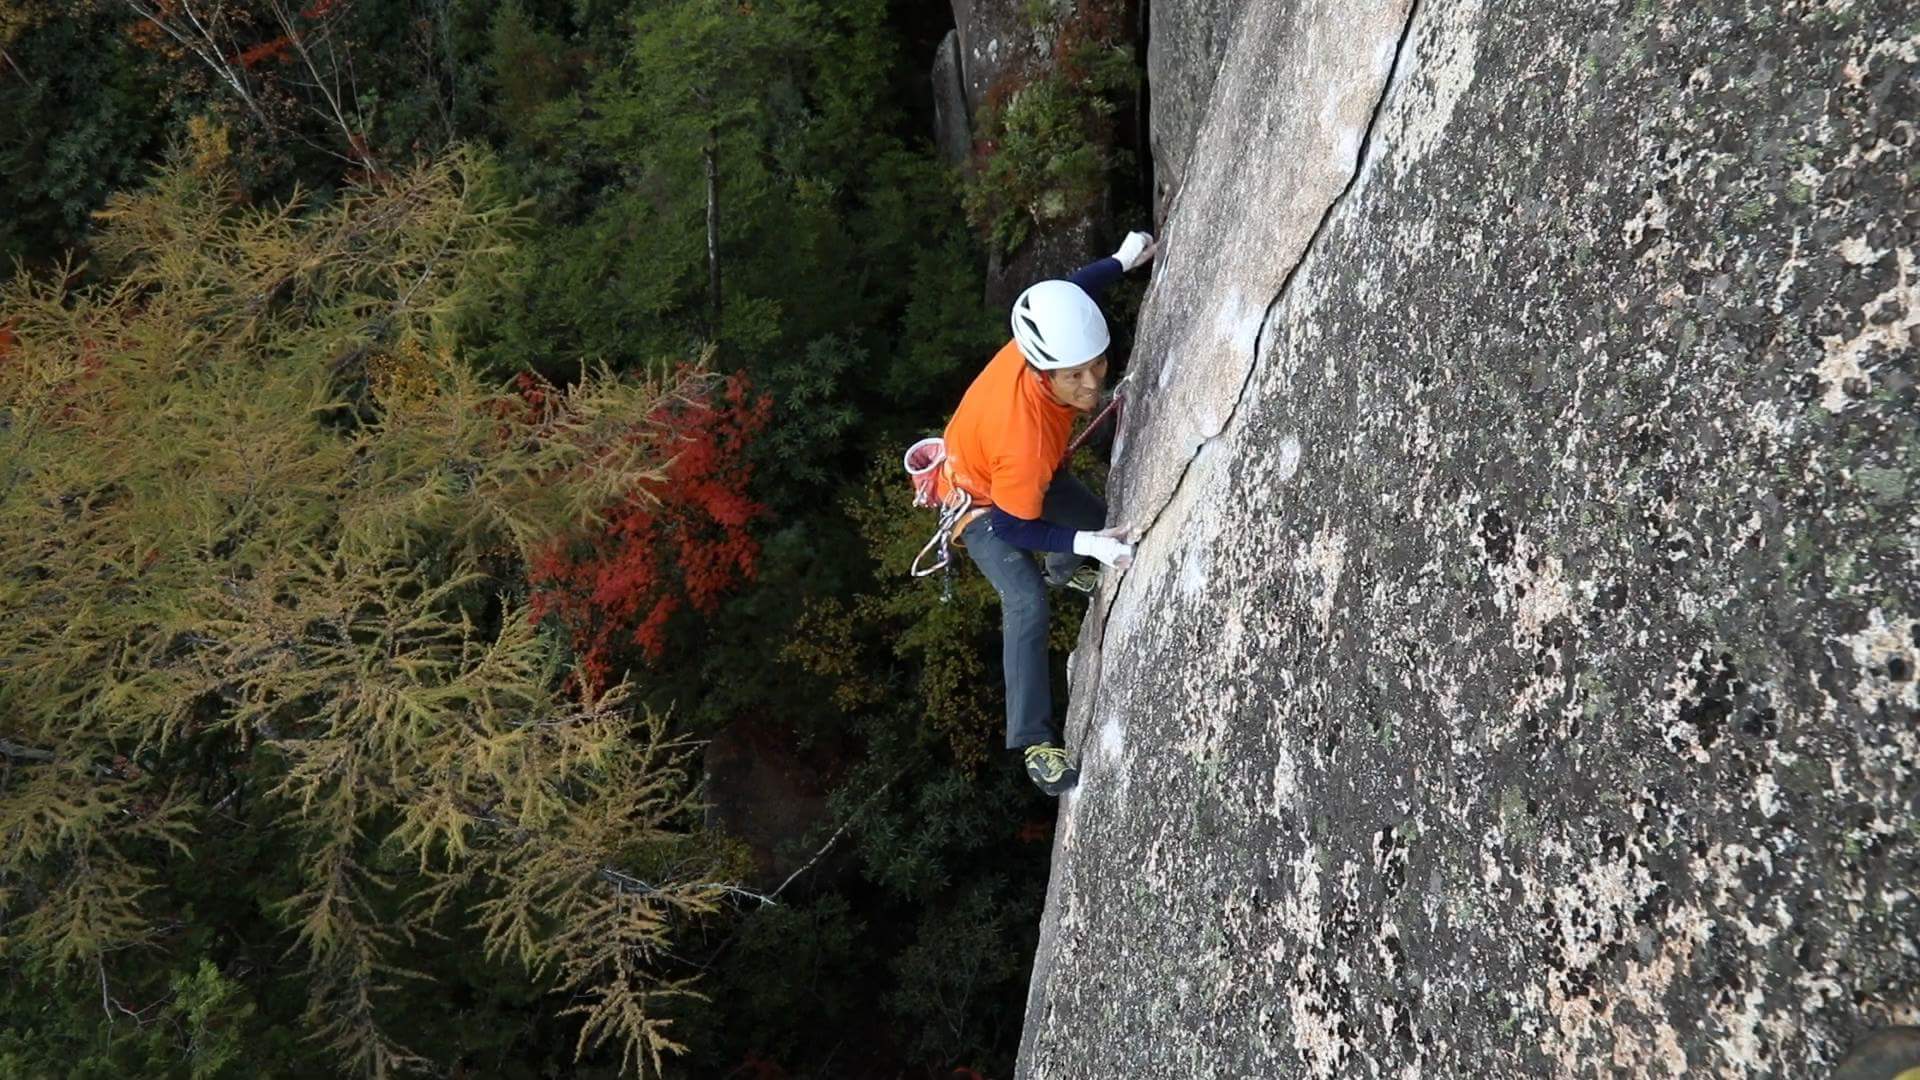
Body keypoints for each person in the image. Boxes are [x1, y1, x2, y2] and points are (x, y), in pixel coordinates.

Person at [938, 230, 1157, 796]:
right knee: (1026, 600)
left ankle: (1067, 571)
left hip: (1019, 476)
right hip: (982, 506)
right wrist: (1086, 545)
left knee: (1096, 516)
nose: (1092, 385)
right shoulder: (1025, 438)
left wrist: (1119, 260)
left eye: (1097, 366)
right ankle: (1035, 742)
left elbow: (1070, 292)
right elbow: (1013, 526)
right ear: (1043, 374)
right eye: (1075, 377)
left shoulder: (1048, 339)